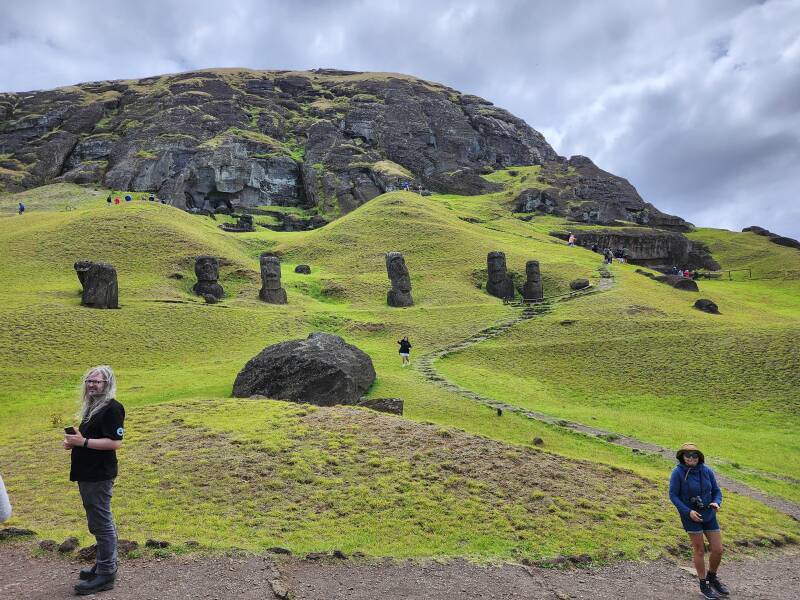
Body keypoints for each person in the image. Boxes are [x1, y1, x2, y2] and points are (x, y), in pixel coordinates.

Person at [63, 366, 125, 596]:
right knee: (97, 522)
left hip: (99, 473)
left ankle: (107, 573)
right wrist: (73, 441)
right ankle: (103, 564)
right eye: (89, 381)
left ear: (107, 384)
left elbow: (115, 442)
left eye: (97, 382)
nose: (91, 385)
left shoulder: (112, 408)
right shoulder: (92, 407)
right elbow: (88, 438)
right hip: (87, 472)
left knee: (101, 522)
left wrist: (83, 443)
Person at [669, 443, 728, 599]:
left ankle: (712, 578)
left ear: (699, 457)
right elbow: (673, 495)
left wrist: (717, 502)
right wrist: (688, 511)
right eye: (687, 455)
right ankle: (704, 585)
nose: (691, 458)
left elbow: (716, 491)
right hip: (691, 515)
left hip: (708, 513)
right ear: (682, 457)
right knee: (699, 550)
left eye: (694, 455)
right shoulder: (677, 472)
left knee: (718, 549)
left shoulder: (707, 471)